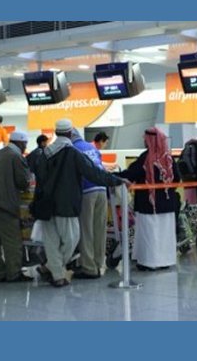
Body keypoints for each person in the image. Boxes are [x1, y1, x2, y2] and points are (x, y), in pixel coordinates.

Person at [32, 119, 126, 287]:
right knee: (72, 239)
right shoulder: (73, 153)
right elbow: (94, 173)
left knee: (51, 241)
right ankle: (55, 272)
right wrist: (117, 180)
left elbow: (36, 175)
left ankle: (55, 273)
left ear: (56, 133)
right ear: (69, 133)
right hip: (65, 204)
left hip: (45, 204)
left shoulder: (44, 153)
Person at [119, 127, 181, 271]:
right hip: (167, 205)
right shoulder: (168, 158)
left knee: (149, 234)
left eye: (145, 138)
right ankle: (165, 261)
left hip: (148, 205)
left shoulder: (146, 158)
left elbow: (131, 174)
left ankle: (149, 262)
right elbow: (176, 179)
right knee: (165, 234)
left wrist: (114, 175)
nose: (144, 140)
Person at [0, 131, 32, 282]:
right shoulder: (16, 156)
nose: (25, 148)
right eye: (25, 145)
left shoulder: (0, 153)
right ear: (21, 143)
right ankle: (14, 273)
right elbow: (23, 181)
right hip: (4, 203)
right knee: (12, 240)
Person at [71, 128, 109, 279]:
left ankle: (89, 268)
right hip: (102, 189)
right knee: (100, 229)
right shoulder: (91, 148)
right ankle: (99, 263)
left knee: (86, 230)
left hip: (87, 191)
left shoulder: (73, 149)